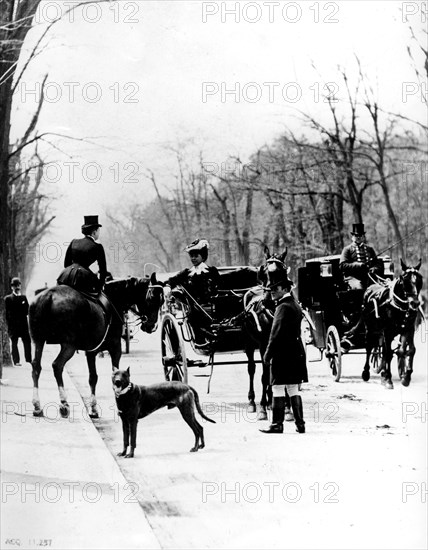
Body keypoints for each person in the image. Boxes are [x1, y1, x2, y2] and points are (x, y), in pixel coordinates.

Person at [260, 272, 308, 434]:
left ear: (285, 288)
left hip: (282, 354)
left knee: (278, 389)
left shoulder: (282, 307)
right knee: (293, 388)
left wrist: (267, 354)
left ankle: (277, 424)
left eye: (275, 288)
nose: (272, 291)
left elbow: (275, 334)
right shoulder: (295, 304)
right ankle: (300, 424)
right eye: (270, 288)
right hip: (295, 352)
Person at [165, 239, 220, 345]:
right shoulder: (186, 273)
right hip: (195, 308)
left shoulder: (212, 271)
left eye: (196, 255)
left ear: (203, 256)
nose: (193, 258)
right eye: (191, 256)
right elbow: (172, 281)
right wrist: (167, 286)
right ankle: (202, 339)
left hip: (213, 305)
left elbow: (220, 286)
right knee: (194, 314)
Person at [339, 223, 383, 351]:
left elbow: (377, 264)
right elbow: (342, 265)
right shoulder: (347, 250)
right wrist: (358, 265)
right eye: (356, 236)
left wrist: (374, 269)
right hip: (352, 279)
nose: (358, 238)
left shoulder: (369, 249)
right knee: (358, 289)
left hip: (368, 278)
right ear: (352, 237)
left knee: (379, 290)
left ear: (363, 237)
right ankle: (358, 314)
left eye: (360, 236)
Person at [57, 215, 107, 293]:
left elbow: (66, 264)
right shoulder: (98, 247)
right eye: (98, 230)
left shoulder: (74, 242)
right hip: (84, 278)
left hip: (65, 275)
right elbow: (103, 271)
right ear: (94, 232)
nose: (99, 233)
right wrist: (100, 286)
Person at [4, 277, 32, 366]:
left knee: (27, 341)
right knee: (14, 343)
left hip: (23, 325)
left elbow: (27, 310)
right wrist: (9, 325)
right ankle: (16, 361)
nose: (17, 287)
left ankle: (29, 360)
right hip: (13, 325)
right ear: (12, 287)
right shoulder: (7, 299)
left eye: (18, 285)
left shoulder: (23, 298)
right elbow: (6, 314)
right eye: (15, 286)